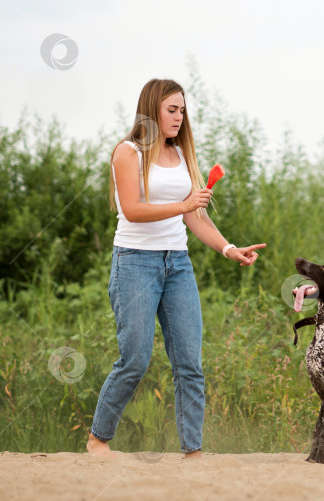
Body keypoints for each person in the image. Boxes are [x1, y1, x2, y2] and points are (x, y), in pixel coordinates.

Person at [86, 78, 266, 459]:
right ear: (152, 110)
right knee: (134, 360)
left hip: (177, 265)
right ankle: (98, 439)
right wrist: (183, 206)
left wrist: (228, 248)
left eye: (183, 110)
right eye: (172, 109)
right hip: (135, 263)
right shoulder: (128, 152)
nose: (179, 118)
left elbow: (196, 217)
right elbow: (132, 210)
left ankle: (193, 452)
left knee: (189, 363)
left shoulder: (182, 156)